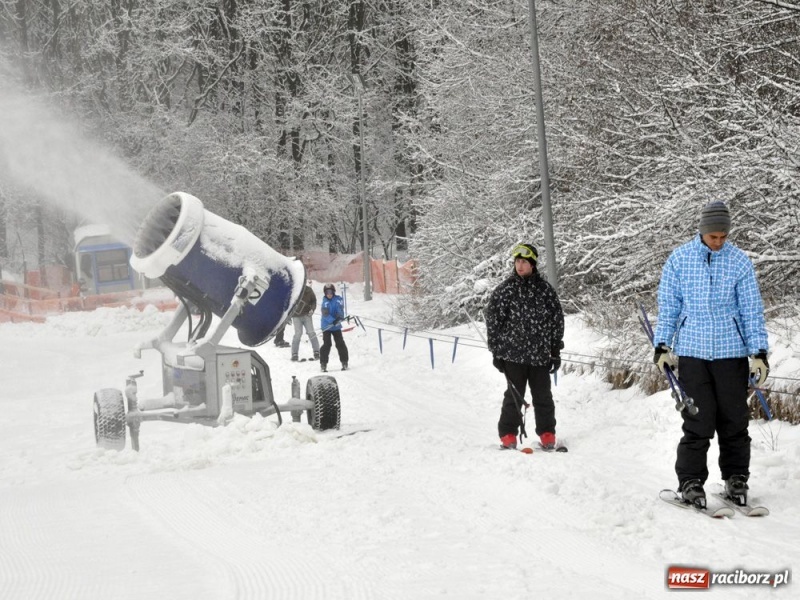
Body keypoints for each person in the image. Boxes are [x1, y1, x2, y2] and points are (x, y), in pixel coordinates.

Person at [653, 201, 769, 509]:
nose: (719, 242)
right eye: (714, 236)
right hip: (693, 353)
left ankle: (736, 478)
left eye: (723, 236)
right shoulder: (680, 260)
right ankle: (690, 481)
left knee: (734, 421)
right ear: (702, 231)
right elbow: (670, 307)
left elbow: (751, 310)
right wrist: (662, 345)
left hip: (732, 353)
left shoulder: (739, 262)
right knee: (697, 420)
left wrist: (759, 352)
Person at [486, 243, 565, 450]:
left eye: (524, 262)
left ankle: (547, 434)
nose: (520, 266)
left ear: (533, 264)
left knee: (543, 397)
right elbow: (493, 321)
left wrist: (555, 351)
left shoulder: (545, 291)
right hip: (512, 356)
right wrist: (496, 351)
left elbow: (556, 322)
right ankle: (508, 435)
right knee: (514, 397)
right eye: (517, 261)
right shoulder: (505, 290)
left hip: (539, 356)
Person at [319, 283, 349, 372]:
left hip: (336, 327)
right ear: (325, 293)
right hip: (326, 326)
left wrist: (339, 317)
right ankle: (323, 364)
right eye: (327, 292)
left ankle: (344, 361)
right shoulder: (325, 302)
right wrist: (333, 321)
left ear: (333, 292)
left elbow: (340, 310)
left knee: (340, 343)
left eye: (330, 292)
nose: (329, 294)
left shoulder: (338, 300)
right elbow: (325, 314)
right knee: (327, 344)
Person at [291, 281, 320, 361]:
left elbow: (314, 301)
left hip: (307, 315)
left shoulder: (309, 290)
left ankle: (316, 351)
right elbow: (288, 303)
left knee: (311, 332)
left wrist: (312, 309)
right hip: (296, 316)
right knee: (298, 334)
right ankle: (294, 353)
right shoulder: (293, 291)